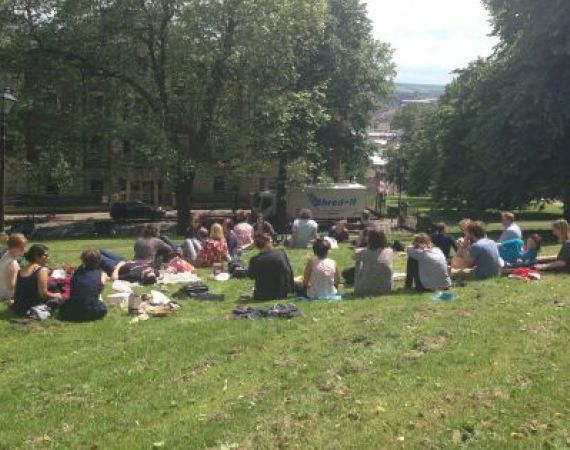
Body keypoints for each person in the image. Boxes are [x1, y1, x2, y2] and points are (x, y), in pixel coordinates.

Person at [13, 245, 63, 316]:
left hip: (19, 306)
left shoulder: (22, 269)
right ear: (37, 256)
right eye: (45, 255)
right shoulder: (42, 270)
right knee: (60, 297)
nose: (48, 258)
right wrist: (56, 295)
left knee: (52, 286)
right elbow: (43, 294)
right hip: (32, 308)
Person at [59, 249, 107, 322]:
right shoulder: (102, 274)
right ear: (99, 260)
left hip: (71, 312)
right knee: (102, 306)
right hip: (93, 312)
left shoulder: (76, 274)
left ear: (83, 260)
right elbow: (99, 290)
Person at [248, 233, 294, 301]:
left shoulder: (254, 260)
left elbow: (251, 276)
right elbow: (289, 271)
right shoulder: (281, 253)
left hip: (262, 295)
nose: (273, 243)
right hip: (282, 292)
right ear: (267, 243)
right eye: (271, 241)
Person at [353, 227, 393, 296]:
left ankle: (357, 285)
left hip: (364, 290)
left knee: (358, 262)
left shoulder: (364, 253)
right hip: (385, 289)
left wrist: (359, 241)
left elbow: (353, 256)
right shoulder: (389, 251)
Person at [0, 233, 27, 300]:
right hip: (8, 294)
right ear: (14, 248)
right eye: (21, 247)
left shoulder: (5, 256)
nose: (24, 249)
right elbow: (11, 286)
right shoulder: (13, 263)